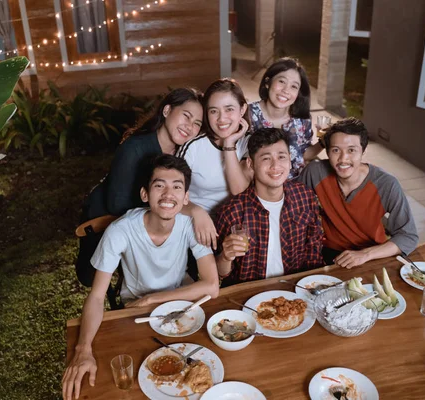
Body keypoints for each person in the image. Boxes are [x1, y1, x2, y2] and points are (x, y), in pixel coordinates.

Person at [62, 155, 219, 400]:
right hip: (135, 312)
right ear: (145, 194)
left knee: (203, 375)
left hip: (183, 310)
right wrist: (83, 349)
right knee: (137, 385)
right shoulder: (121, 230)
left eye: (177, 187)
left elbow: (212, 285)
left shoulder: (189, 224)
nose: (168, 194)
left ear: (186, 198)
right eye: (159, 185)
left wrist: (154, 298)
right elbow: (96, 295)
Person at [76, 88, 204, 288]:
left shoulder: (183, 152)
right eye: (186, 116)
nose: (190, 126)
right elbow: (116, 204)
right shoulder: (134, 147)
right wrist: (189, 209)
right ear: (167, 110)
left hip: (147, 218)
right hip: (105, 218)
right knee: (96, 278)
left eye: (197, 123)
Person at [298, 117, 418, 268]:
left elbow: (408, 236)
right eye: (336, 150)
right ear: (327, 151)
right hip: (327, 252)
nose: (343, 159)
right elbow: (289, 203)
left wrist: (366, 254)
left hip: (371, 253)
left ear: (363, 151)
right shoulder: (315, 172)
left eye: (351, 150)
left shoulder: (386, 184)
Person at [214, 127, 325, 285]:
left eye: (282, 157)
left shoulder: (305, 197)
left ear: (289, 160)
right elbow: (218, 274)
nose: (275, 165)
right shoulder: (231, 212)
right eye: (266, 158)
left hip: (296, 290)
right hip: (248, 296)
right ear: (251, 164)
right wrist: (225, 256)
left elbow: (314, 249)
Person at [176, 78, 251, 250]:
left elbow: (238, 190)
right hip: (194, 218)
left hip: (233, 221)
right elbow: (172, 192)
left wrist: (229, 144)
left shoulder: (249, 143)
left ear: (243, 109)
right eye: (213, 111)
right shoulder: (193, 146)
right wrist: (196, 211)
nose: (221, 118)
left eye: (229, 109)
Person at [248, 57, 323, 180]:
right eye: (282, 81)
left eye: (294, 86)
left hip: (296, 187)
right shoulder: (247, 115)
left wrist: (324, 141)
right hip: (260, 188)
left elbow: (302, 154)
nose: (286, 90)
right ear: (267, 82)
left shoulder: (302, 120)